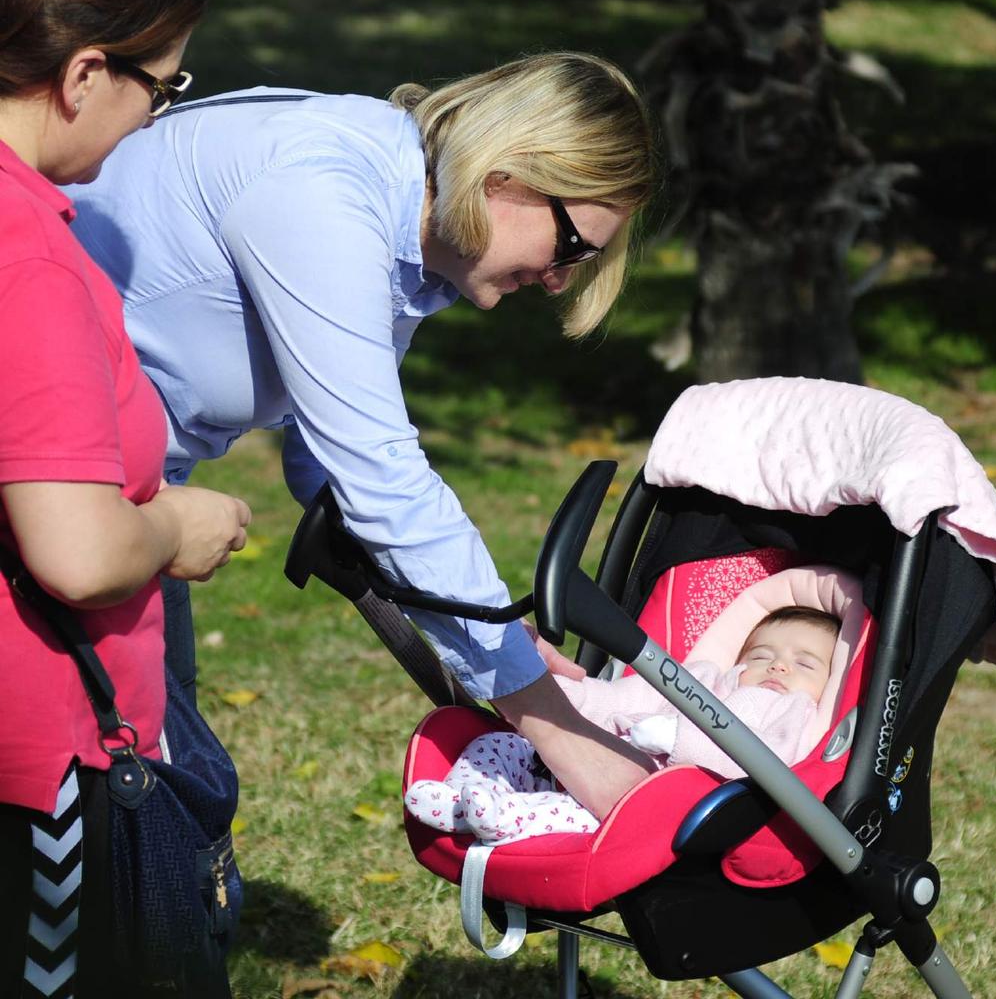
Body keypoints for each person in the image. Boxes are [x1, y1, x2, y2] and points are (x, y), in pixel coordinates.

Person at [66, 51, 660, 817]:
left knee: (165, 812)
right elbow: (378, 476)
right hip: (56, 500)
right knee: (136, 819)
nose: (560, 280)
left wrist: (499, 652)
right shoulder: (325, 195)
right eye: (573, 246)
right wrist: (561, 731)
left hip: (117, 498)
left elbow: (327, 469)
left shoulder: (415, 224)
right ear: (508, 177)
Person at [0, 0, 251, 994]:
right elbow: (82, 549)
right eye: (162, 82)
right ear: (83, 75)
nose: (158, 111)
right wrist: (174, 525)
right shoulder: (28, 258)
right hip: (34, 766)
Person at [405, 606, 839, 844]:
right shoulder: (702, 678)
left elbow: (769, 765)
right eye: (762, 655)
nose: (779, 666)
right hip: (578, 755)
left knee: (578, 815)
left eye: (804, 663)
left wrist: (677, 739)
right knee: (499, 745)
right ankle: (459, 800)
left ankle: (505, 816)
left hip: (645, 798)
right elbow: (618, 699)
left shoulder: (791, 711)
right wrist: (552, 691)